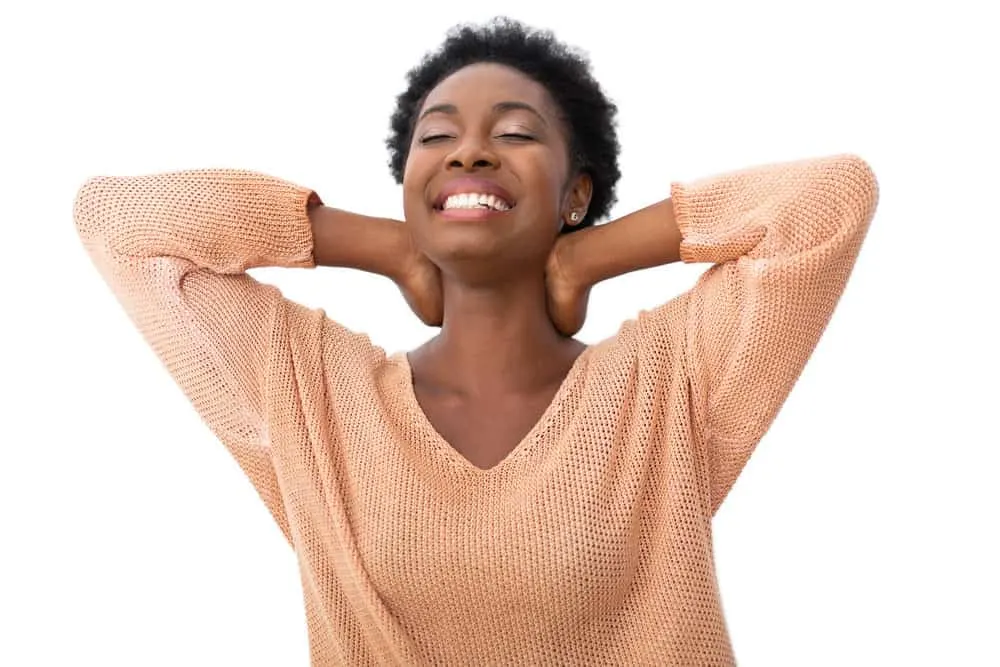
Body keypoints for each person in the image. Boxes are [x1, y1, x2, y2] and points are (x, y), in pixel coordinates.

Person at [73, 16, 879, 667]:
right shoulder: (312, 392)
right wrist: (381, 247)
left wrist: (591, 257)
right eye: (437, 136)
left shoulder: (668, 384)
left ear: (577, 193)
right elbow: (118, 222)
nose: (469, 150)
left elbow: (829, 199)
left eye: (517, 133)